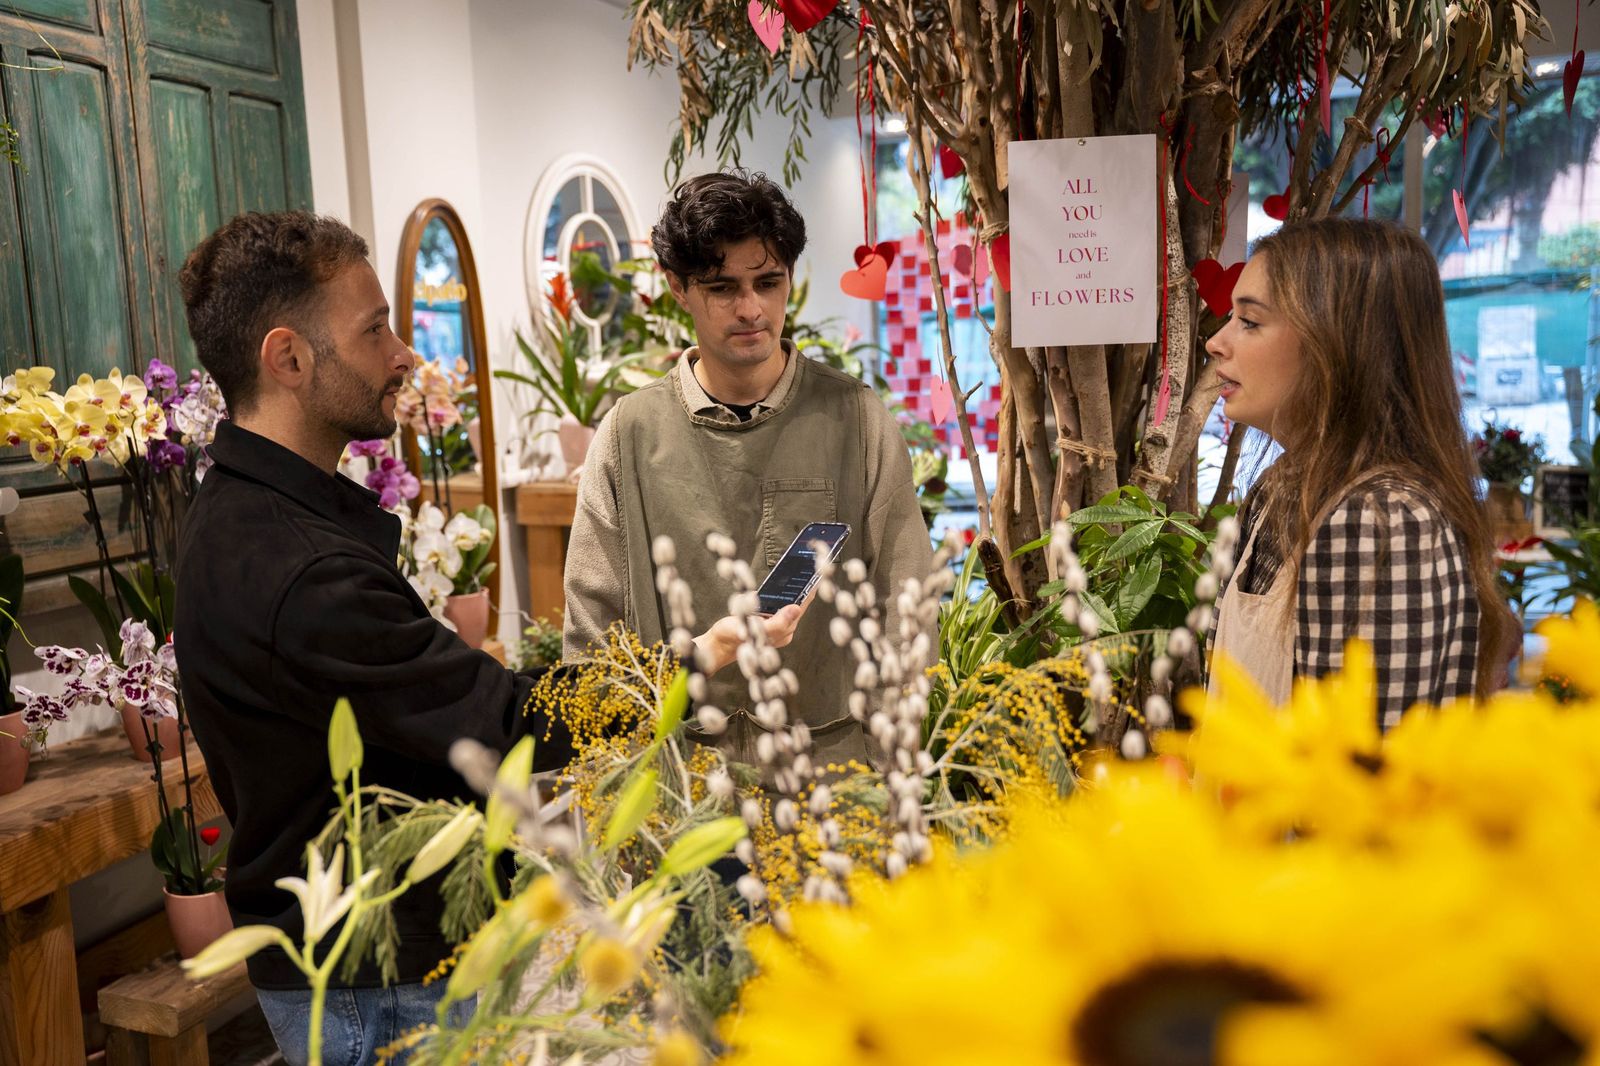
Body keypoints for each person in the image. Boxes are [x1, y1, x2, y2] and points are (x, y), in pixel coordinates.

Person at [172, 211, 796, 1066]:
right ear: (288, 358)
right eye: (374, 328)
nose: (402, 354)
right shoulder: (304, 571)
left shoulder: (241, 514)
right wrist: (695, 660)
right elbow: (504, 721)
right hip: (376, 981)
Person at [563, 170, 935, 769]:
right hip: (679, 789)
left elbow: (906, 610)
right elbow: (592, 638)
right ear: (678, 289)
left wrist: (895, 772)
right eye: (721, 287)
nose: (750, 308)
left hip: (832, 779)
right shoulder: (628, 437)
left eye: (768, 282)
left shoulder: (857, 422)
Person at [1205, 217, 1517, 728]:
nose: (1217, 342)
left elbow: (1362, 781)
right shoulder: (1278, 489)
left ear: (1338, 342)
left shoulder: (1382, 520)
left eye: (1251, 321)